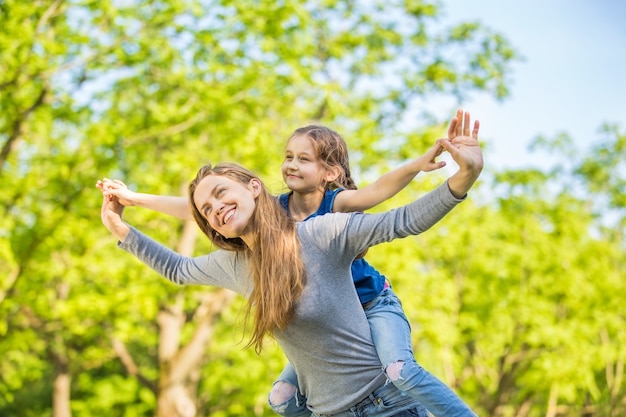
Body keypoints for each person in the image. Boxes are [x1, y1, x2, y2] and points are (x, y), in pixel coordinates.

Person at [98, 110, 479, 416]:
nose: (216, 209)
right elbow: (178, 266)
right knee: (280, 399)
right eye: (207, 209)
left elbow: (399, 217)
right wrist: (123, 218)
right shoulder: (236, 264)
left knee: (400, 368)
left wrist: (461, 177)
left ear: (253, 187)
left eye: (221, 194)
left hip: (382, 363)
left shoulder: (322, 229)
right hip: (328, 408)